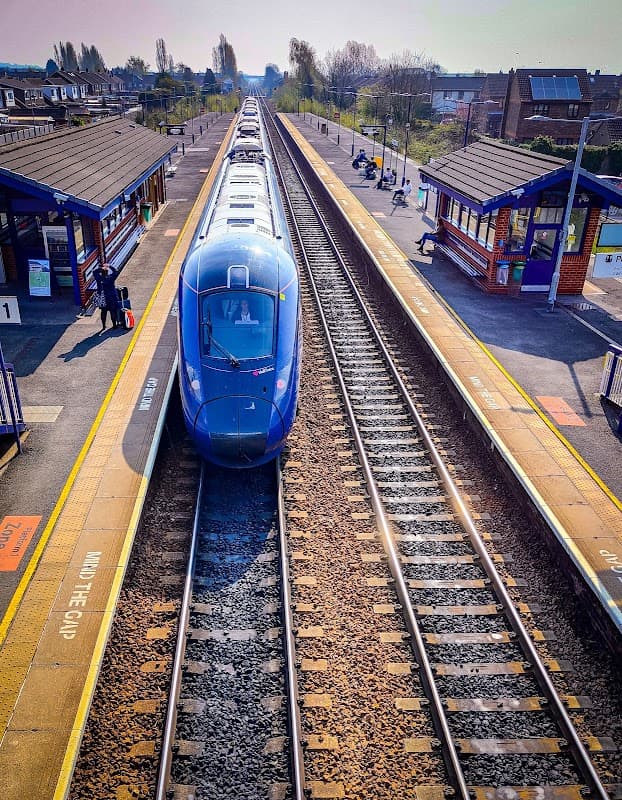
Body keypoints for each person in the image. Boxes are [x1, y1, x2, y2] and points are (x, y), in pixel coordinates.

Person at [94, 262, 121, 331]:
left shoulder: (99, 278)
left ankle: (103, 326)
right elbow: (116, 272)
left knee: (103, 312)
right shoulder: (110, 278)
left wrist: (101, 268)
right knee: (113, 311)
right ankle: (114, 325)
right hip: (111, 297)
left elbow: (94, 272)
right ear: (107, 272)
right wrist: (109, 266)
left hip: (103, 298)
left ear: (101, 273)